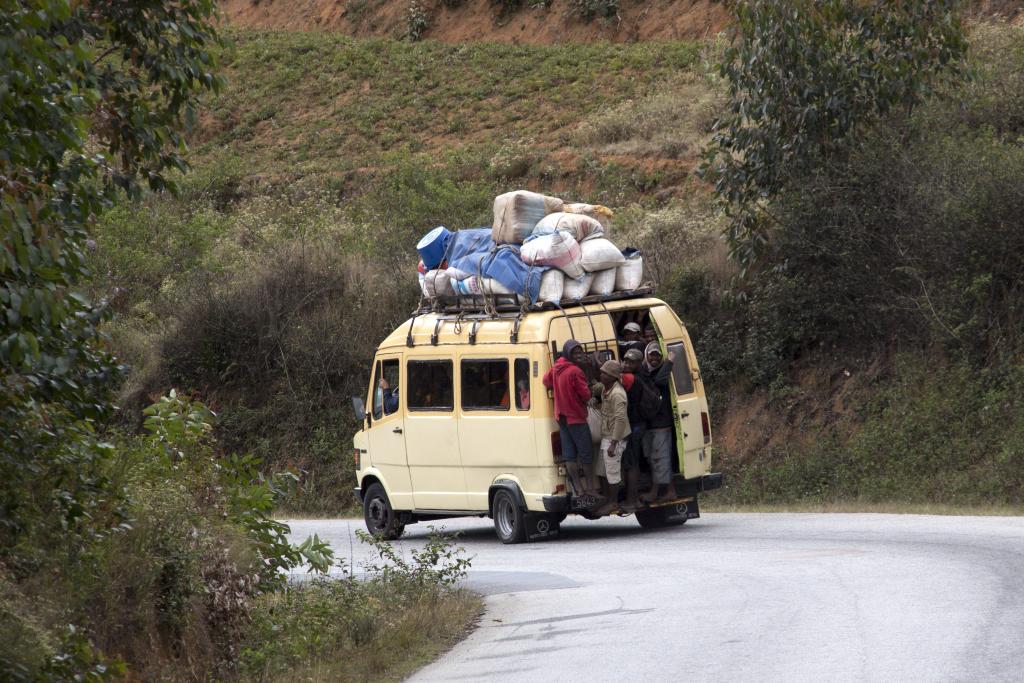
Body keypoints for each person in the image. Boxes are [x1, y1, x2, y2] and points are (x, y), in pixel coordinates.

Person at [542, 339, 598, 497]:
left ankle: (579, 489)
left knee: (569, 456)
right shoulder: (575, 371)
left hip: (561, 416)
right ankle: (591, 489)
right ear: (568, 353)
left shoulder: (557, 367)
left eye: (580, 351)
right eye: (575, 352)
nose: (579, 355)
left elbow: (545, 381)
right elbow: (586, 394)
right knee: (586, 455)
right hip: (576, 417)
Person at [640, 342, 677, 504]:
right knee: (653, 458)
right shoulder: (645, 372)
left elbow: (661, 381)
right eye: (651, 355)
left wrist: (669, 362)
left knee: (660, 458)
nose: (654, 358)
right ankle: (667, 491)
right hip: (649, 423)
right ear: (646, 355)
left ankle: (662, 491)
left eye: (657, 355)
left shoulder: (662, 372)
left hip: (661, 423)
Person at [593, 360, 630, 515]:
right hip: (607, 435)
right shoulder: (606, 389)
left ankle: (613, 503)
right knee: (602, 470)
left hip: (615, 438)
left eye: (605, 374)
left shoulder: (618, 394)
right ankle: (608, 499)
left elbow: (621, 420)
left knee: (613, 472)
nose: (601, 375)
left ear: (613, 377)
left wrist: (614, 444)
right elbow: (595, 387)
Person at [619, 348, 649, 510]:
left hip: (634, 425)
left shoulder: (630, 378)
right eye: (626, 361)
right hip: (639, 423)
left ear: (639, 363)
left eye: (631, 362)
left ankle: (632, 500)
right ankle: (634, 498)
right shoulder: (643, 375)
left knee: (630, 463)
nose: (627, 364)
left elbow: (610, 374)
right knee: (634, 462)